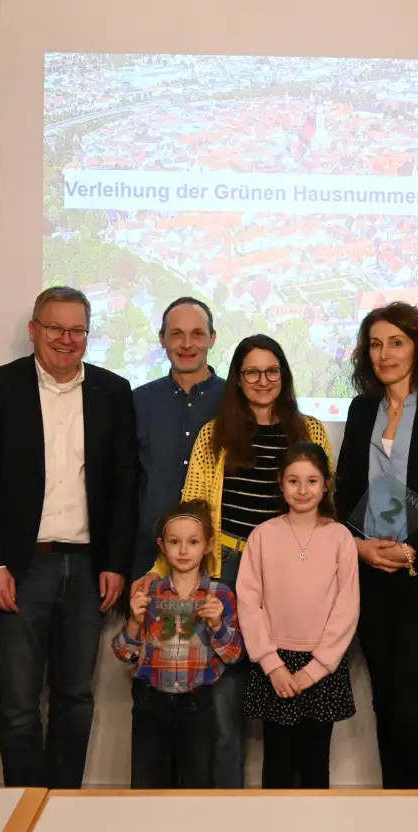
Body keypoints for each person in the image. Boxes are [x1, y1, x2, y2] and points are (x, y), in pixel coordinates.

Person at [130, 333, 332, 788]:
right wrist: (156, 572)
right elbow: (193, 511)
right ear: (238, 379)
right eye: (252, 372)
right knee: (223, 702)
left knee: (289, 698)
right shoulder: (214, 434)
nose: (263, 381)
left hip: (291, 575)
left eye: (272, 370)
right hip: (227, 571)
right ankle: (224, 808)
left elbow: (325, 506)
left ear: (285, 374)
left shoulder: (311, 430)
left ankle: (290, 809)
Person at [0, 285, 138, 789]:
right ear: (33, 330)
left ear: (88, 334)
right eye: (56, 328)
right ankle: (23, 802)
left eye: (77, 329)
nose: (66, 339)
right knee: (18, 703)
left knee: (75, 697)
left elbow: (125, 483)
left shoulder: (112, 390)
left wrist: (117, 562)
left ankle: (63, 804)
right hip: (20, 568)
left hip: (88, 569)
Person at [335, 302, 418, 790]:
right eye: (375, 344)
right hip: (368, 572)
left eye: (396, 342)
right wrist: (361, 547)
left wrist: (412, 549)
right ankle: (395, 808)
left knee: (410, 705)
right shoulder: (360, 408)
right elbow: (346, 489)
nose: (384, 353)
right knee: (382, 702)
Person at [237, 442, 360, 789]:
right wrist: (272, 664)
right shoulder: (263, 535)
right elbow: (249, 602)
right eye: (293, 481)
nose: (303, 490)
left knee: (314, 762)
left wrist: (316, 669)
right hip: (274, 663)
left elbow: (346, 607)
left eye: (312, 481)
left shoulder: (340, 537)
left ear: (326, 485)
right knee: (277, 762)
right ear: (280, 483)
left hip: (322, 666)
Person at [115, 500, 242, 789]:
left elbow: (235, 655)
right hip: (151, 704)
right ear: (162, 545)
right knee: (147, 788)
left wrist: (218, 626)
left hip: (198, 706)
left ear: (208, 545)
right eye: (175, 542)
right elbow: (124, 653)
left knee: (196, 789)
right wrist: (134, 621)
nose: (184, 550)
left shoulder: (219, 595)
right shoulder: (150, 593)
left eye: (193, 541)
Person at [132, 297, 223, 581]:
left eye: (197, 334)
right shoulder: (136, 402)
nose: (186, 344)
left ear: (212, 339)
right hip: (146, 561)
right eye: (176, 334)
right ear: (162, 339)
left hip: (218, 566)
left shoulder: (237, 402)